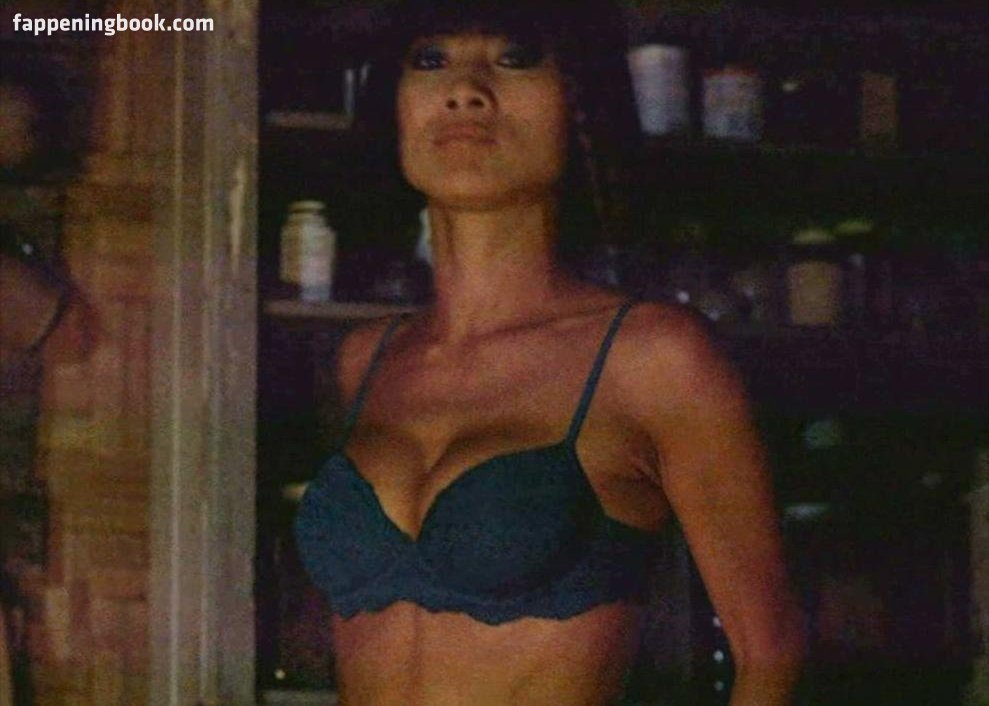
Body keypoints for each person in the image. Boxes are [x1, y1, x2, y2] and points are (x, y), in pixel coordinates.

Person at [294, 1, 805, 704]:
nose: (465, 88)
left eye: (515, 57)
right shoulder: (366, 358)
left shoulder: (653, 357)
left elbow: (770, 655)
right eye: (431, 59)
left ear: (580, 102)